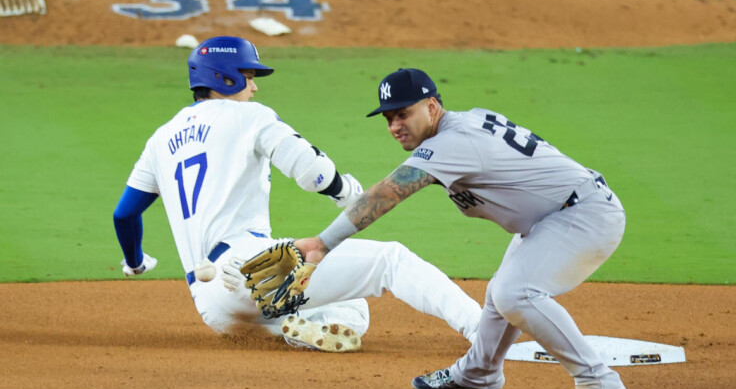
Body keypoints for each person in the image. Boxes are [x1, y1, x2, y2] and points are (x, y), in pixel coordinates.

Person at [295, 68, 629, 389]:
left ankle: (599, 383)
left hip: (582, 214)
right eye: (389, 117)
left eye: (404, 113)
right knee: (500, 295)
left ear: (432, 105)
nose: (395, 125)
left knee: (516, 293)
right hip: (556, 214)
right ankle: (478, 372)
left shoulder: (453, 142)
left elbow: (387, 193)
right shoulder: (464, 125)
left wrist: (323, 244)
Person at [113, 38, 482, 353]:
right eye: (248, 76)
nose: (254, 87)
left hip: (215, 308)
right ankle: (485, 332)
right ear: (223, 78)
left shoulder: (160, 139)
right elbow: (312, 171)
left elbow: (125, 215)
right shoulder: (249, 116)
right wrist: (347, 192)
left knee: (352, 306)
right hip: (252, 270)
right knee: (391, 260)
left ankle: (295, 330)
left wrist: (136, 262)